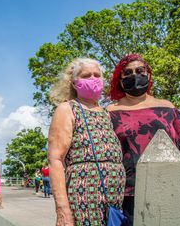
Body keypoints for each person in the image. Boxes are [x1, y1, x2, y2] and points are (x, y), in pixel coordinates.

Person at [106, 53, 180, 225]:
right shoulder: (110, 112)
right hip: (129, 194)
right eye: (127, 73)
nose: (134, 75)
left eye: (139, 70)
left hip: (172, 188)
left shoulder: (168, 108)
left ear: (149, 74)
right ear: (120, 79)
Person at [48, 58, 125, 225]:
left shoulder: (107, 113)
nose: (93, 78)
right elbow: (55, 160)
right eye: (86, 75)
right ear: (75, 83)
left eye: (97, 75)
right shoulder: (67, 109)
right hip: (84, 197)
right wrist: (62, 208)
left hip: (114, 197)